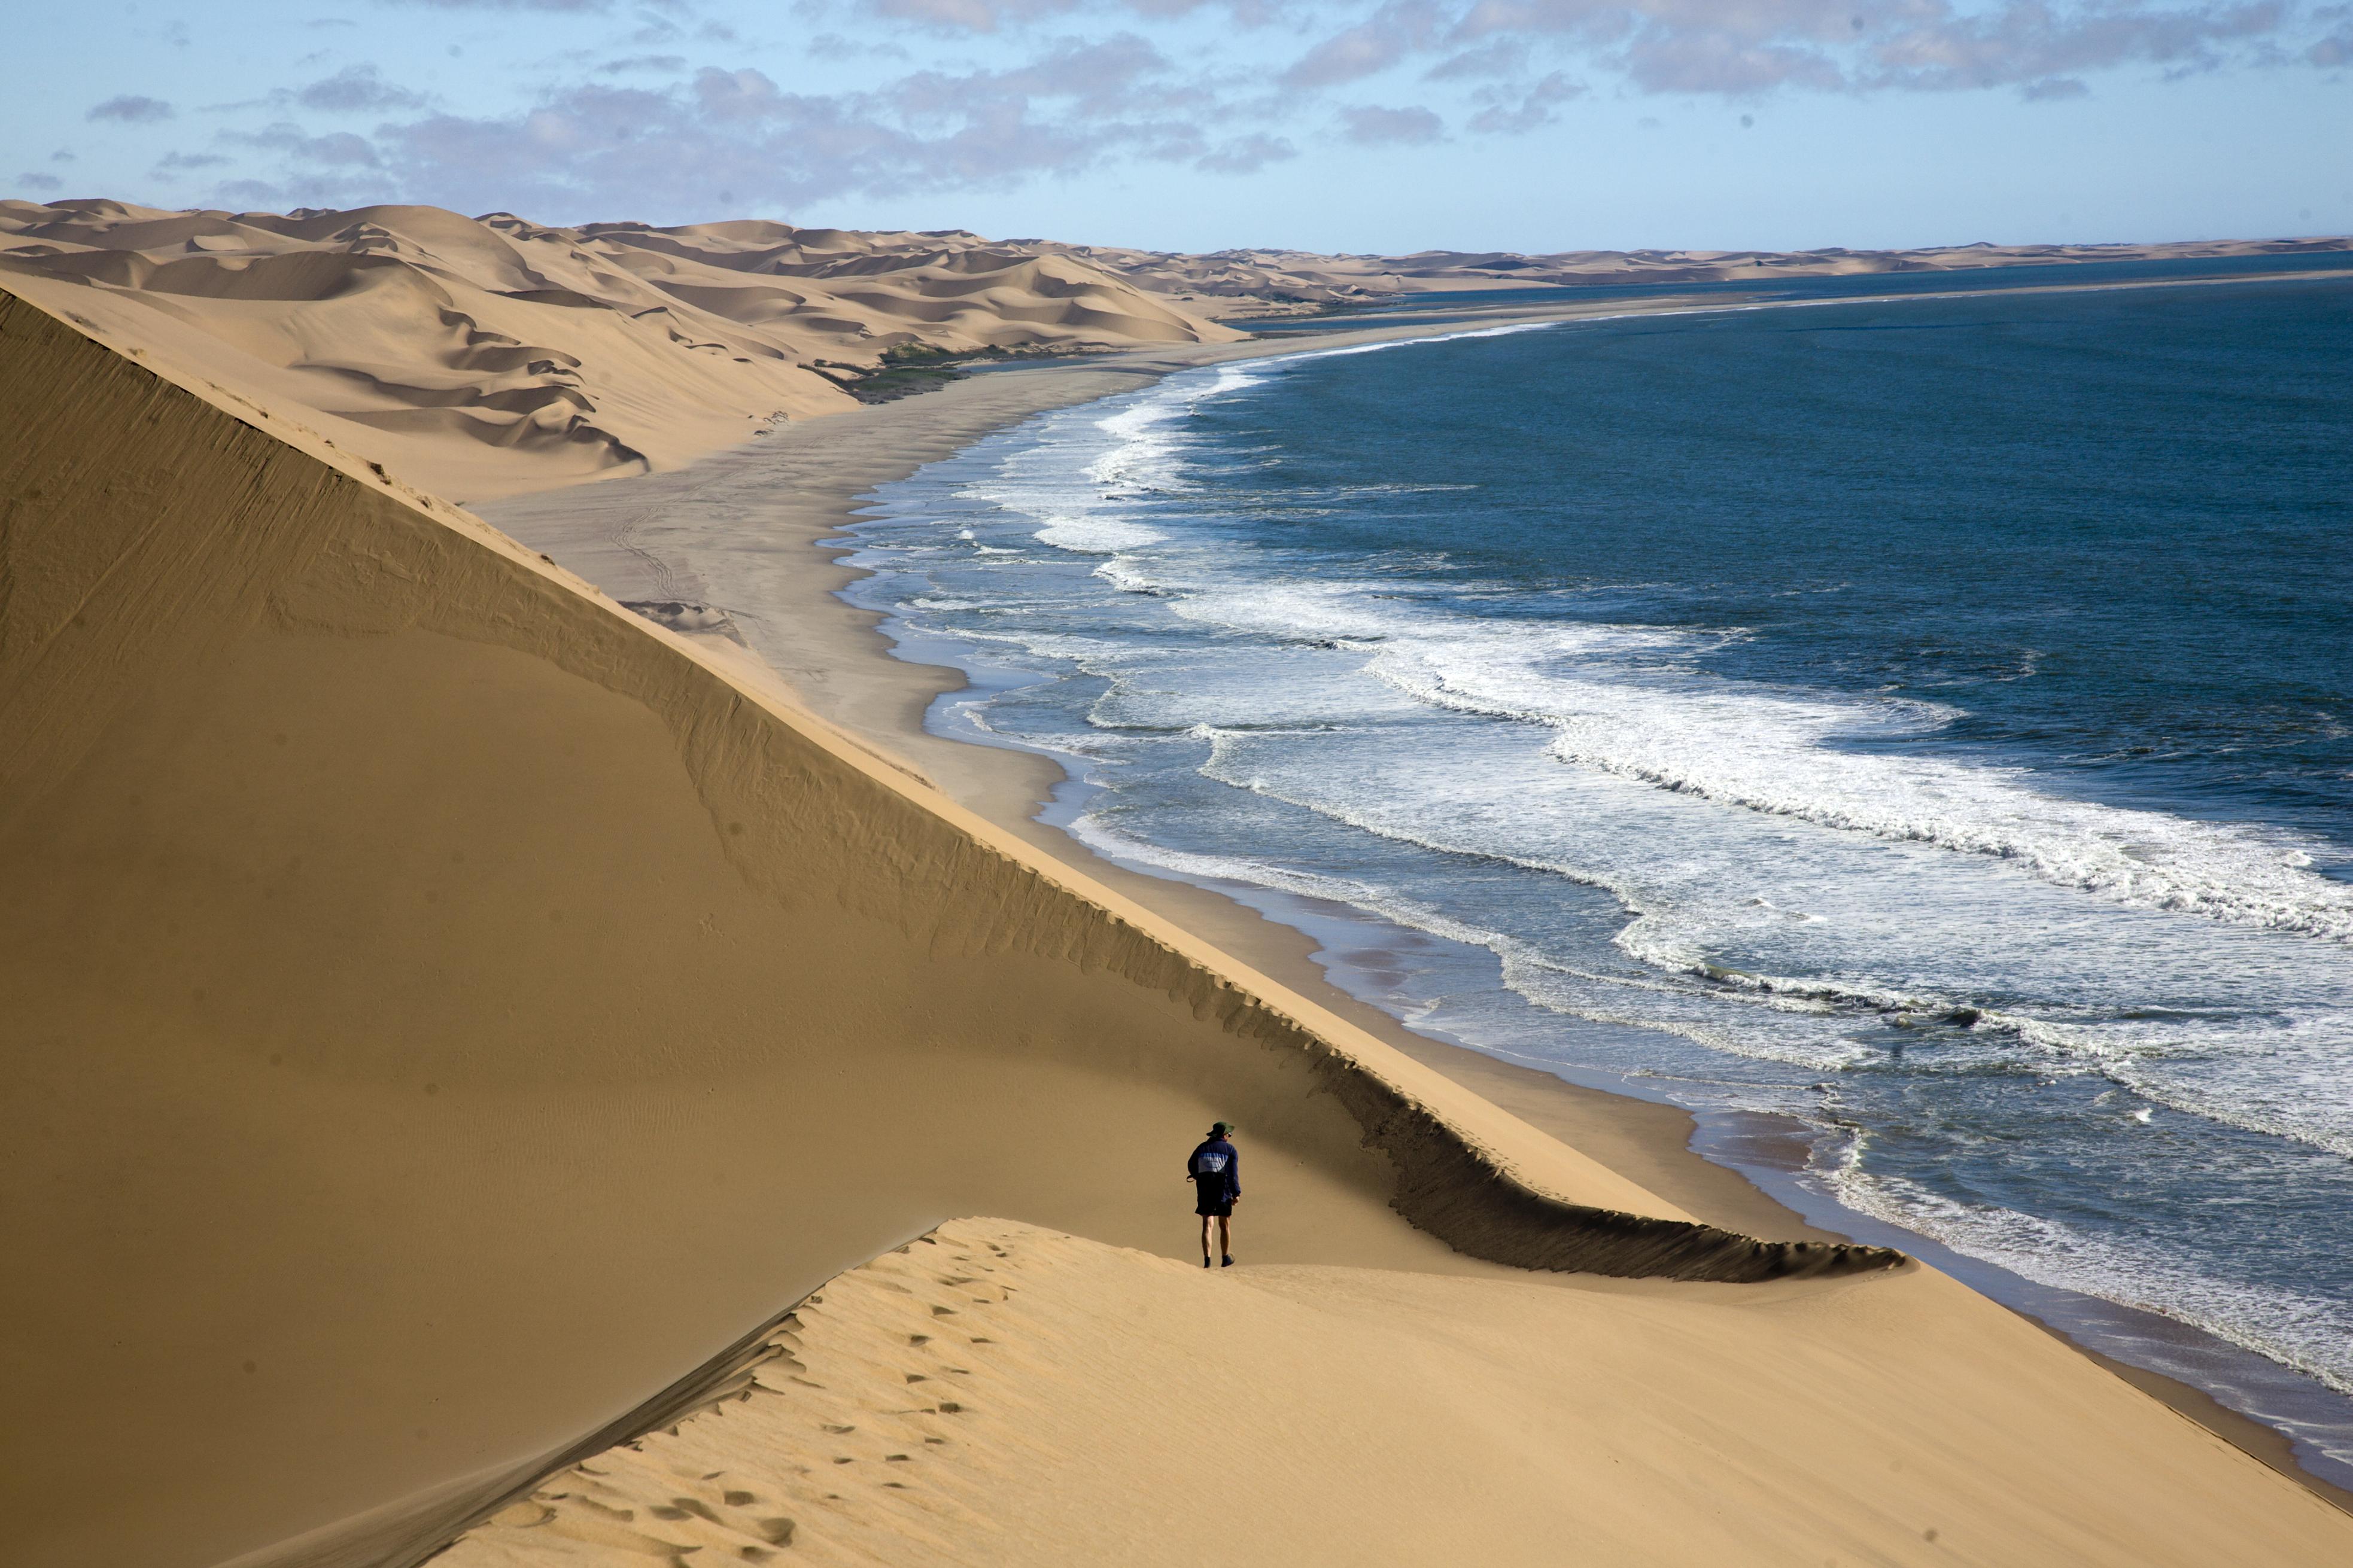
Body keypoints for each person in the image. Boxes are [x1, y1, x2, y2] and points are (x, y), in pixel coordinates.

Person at [1186, 1121, 1241, 1268]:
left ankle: (1207, 1261)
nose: (1229, 1136)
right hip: (1223, 1190)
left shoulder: (1202, 1148)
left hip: (1205, 1189)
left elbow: (1191, 1164)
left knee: (1207, 1225)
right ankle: (1225, 1258)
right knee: (1225, 1225)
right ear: (1224, 1135)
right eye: (1229, 1134)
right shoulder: (1230, 1150)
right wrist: (1236, 1193)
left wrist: (1200, 1176)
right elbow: (1233, 1174)